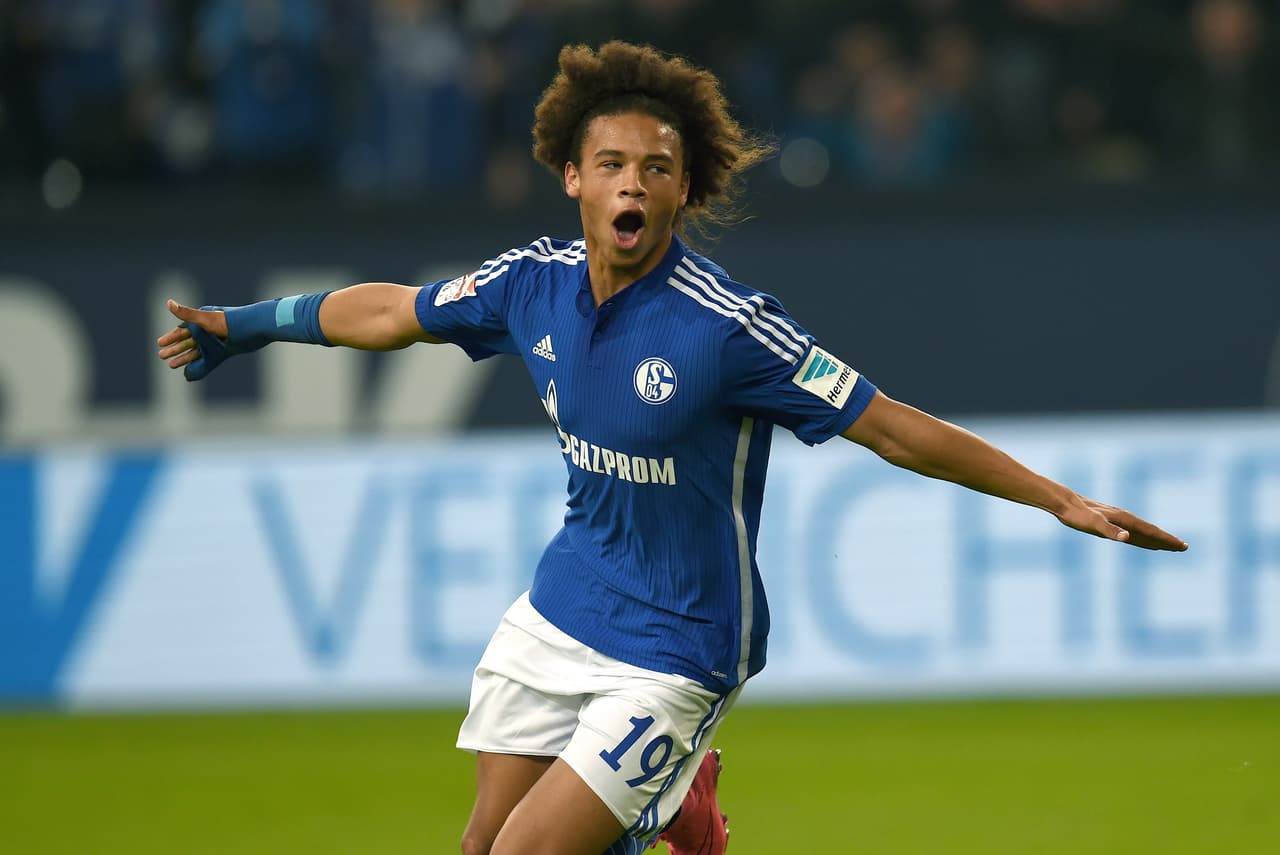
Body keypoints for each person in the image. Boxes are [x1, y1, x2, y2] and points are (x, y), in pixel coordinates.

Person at [156, 41, 1188, 855]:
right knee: (481, 846)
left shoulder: (729, 328)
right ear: (573, 178)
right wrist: (245, 326)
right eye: (610, 164)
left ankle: (659, 800)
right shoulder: (529, 283)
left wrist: (1056, 498)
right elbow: (392, 312)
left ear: (682, 191)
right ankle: (669, 807)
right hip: (562, 606)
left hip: (679, 645)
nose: (632, 183)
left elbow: (888, 424)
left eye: (656, 168)